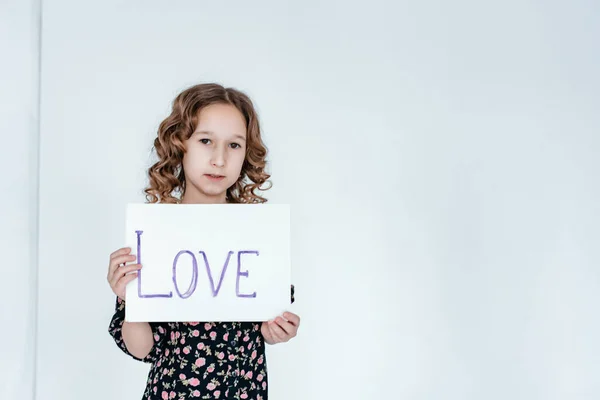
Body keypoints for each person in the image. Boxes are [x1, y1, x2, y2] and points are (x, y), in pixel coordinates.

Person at [106, 83, 300, 400]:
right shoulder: (155, 235)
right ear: (180, 144)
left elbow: (270, 324)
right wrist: (130, 300)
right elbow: (142, 350)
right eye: (206, 140)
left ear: (246, 154)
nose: (219, 159)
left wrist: (275, 330)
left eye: (234, 145)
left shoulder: (257, 236)